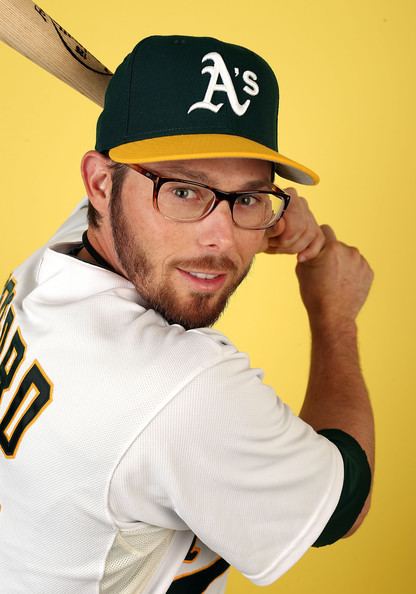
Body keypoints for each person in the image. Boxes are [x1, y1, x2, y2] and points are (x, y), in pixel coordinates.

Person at [0, 35, 374, 593]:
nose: (219, 238)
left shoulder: (50, 273)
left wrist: (266, 212)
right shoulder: (180, 387)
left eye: (247, 198)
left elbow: (162, 203)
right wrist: (334, 313)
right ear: (101, 184)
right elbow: (343, 505)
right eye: (183, 191)